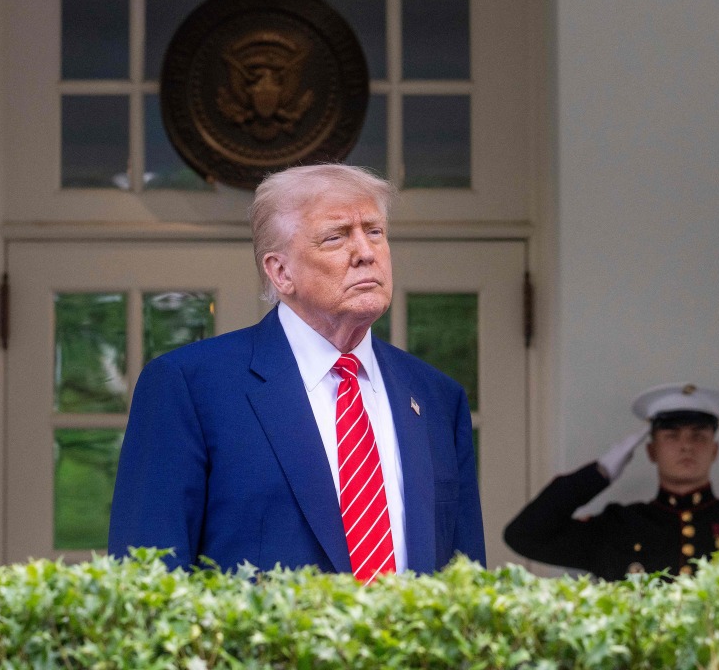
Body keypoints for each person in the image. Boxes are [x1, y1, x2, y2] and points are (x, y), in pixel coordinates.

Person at [108, 164, 485, 581]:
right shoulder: (190, 387)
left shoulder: (436, 398)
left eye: (374, 231)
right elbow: (144, 582)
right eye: (336, 236)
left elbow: (467, 589)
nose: (365, 251)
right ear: (281, 271)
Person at [503, 383, 719, 580]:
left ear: (714, 450)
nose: (686, 446)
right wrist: (599, 473)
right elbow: (525, 536)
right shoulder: (618, 527)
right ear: (651, 451)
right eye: (672, 436)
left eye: (698, 436)